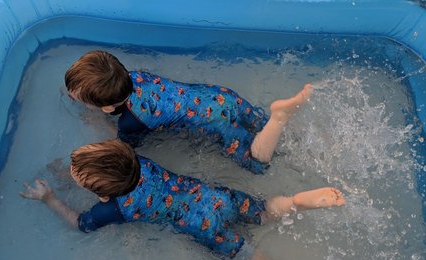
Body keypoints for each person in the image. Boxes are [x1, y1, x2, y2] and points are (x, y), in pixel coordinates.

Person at [20, 139, 346, 260]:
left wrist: (50, 199)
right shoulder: (139, 162)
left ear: (102, 196)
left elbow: (80, 224)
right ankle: (298, 202)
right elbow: (114, 162)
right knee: (266, 210)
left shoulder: (113, 210)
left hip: (206, 229)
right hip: (216, 198)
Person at [65, 50, 312, 174]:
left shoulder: (131, 122)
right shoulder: (134, 76)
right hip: (221, 98)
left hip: (217, 123)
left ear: (108, 108)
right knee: (258, 123)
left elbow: (127, 148)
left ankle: (279, 118)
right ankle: (276, 123)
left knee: (257, 162)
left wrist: (99, 125)